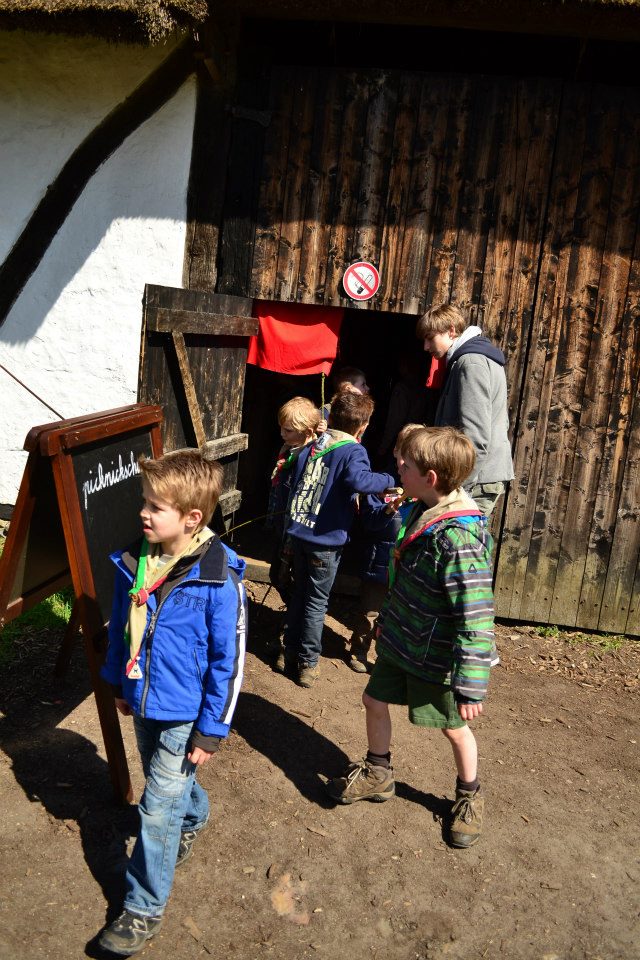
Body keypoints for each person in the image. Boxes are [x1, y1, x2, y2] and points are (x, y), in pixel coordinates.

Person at [98, 449, 247, 956]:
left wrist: (212, 730)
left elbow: (229, 664)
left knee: (156, 807)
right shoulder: (135, 561)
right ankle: (195, 814)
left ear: (192, 518)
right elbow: (122, 627)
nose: (143, 513)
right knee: (173, 790)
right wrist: (118, 681)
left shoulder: (217, 580)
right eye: (145, 501)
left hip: (185, 713)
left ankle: (142, 908)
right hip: (143, 699)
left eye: (156, 507)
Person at [327, 427, 495, 849]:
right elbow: (407, 579)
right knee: (373, 700)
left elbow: (475, 618)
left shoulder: (459, 540)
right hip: (402, 640)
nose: (397, 467)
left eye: (406, 465)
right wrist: (387, 618)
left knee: (454, 728)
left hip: (435, 656)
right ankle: (379, 773)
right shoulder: (423, 509)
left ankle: (468, 796)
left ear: (432, 477)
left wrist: (471, 687)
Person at [279, 390, 395, 688]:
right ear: (363, 426)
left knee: (299, 596)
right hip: (324, 541)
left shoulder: (316, 443)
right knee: (316, 604)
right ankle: (307, 663)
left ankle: (288, 654)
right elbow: (360, 481)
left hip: (300, 531)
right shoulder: (352, 450)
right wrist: (389, 480)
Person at [417, 303, 514, 517]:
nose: (425, 346)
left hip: (476, 479)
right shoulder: (469, 360)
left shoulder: (471, 363)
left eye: (430, 337)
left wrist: (459, 486)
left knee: (462, 546)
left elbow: (475, 435)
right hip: (478, 476)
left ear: (451, 330)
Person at [347, 423, 423, 673]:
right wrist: (390, 508)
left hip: (407, 565)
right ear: (395, 452)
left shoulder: (424, 493)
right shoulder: (380, 485)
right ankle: (359, 650)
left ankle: (387, 658)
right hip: (380, 559)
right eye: (405, 453)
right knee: (370, 611)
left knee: (398, 615)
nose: (407, 462)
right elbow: (369, 522)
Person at [266, 397, 321, 661]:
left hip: (298, 528)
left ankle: (291, 629)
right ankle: (291, 616)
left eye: (288, 430)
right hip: (282, 524)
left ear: (307, 431)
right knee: (277, 574)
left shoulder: (313, 455)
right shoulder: (288, 448)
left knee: (294, 579)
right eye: (282, 428)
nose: (282, 434)